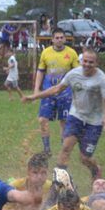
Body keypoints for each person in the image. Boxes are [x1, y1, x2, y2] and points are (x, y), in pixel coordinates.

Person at [23, 47, 105, 181]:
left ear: (96, 63)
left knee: (85, 158)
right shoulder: (73, 74)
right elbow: (56, 89)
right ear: (81, 61)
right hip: (75, 117)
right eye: (85, 61)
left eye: (91, 62)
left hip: (93, 122)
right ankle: (57, 184)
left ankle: (96, 169)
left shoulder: (101, 79)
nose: (87, 64)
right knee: (65, 148)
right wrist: (35, 96)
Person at [31, 27, 79, 155]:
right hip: (48, 90)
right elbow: (40, 71)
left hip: (65, 92)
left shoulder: (72, 53)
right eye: (56, 38)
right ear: (52, 40)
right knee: (42, 119)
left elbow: (77, 74)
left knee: (64, 122)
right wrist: (37, 89)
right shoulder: (46, 53)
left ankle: (63, 149)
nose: (59, 40)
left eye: (61, 37)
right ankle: (47, 149)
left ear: (65, 39)